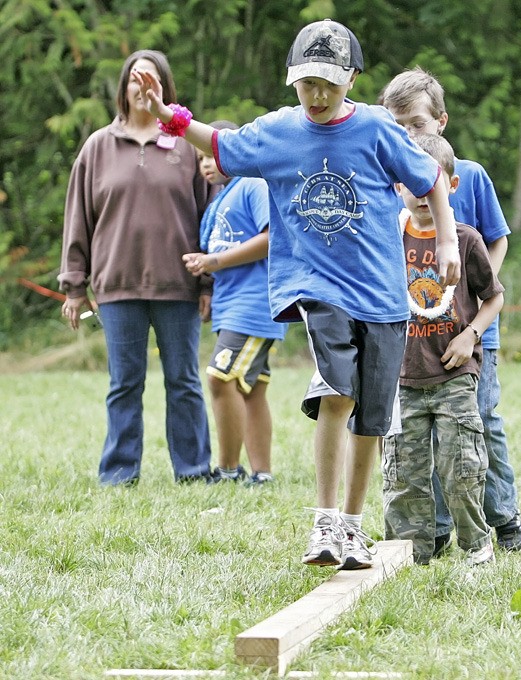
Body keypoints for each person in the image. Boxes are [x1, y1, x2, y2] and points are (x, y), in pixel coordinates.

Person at [132, 18, 461, 569]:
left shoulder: (377, 128)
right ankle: (324, 521)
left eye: (329, 84)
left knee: (369, 417)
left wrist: (447, 241)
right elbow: (220, 143)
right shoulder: (280, 132)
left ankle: (351, 526)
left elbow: (429, 180)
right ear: (293, 80)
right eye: (307, 83)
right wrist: (167, 115)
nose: (318, 95)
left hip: (382, 295)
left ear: (351, 79)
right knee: (336, 391)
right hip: (317, 287)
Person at [380, 67, 521, 552]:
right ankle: (437, 529)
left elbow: (497, 241)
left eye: (417, 123)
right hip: (415, 340)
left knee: (478, 422)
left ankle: (503, 518)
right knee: (422, 435)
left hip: (470, 330)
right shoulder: (390, 182)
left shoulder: (470, 174)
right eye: (398, 126)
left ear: (441, 121)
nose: (408, 135)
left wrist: (470, 302)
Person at [59, 49, 212, 486]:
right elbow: (78, 218)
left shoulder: (187, 145)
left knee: (183, 381)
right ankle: (119, 473)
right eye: (134, 79)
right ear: (123, 89)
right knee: (124, 382)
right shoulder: (97, 147)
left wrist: (208, 283)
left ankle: (193, 470)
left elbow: (208, 217)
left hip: (178, 286)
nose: (142, 87)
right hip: (117, 285)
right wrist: (74, 285)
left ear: (165, 88)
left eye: (151, 79)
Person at [383, 133, 503, 566]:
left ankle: (476, 549)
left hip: (454, 374)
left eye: (429, 185)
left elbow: (494, 297)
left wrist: (471, 335)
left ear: (450, 186)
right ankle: (405, 554)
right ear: (397, 185)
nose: (420, 195)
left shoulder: (465, 240)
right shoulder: (388, 237)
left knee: (461, 467)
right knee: (403, 472)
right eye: (411, 185)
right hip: (402, 377)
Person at [188, 120, 286, 486]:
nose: (206, 164)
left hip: (254, 305)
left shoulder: (253, 184)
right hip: (231, 306)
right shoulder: (221, 199)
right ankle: (262, 473)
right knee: (252, 388)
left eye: (212, 155)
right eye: (200, 158)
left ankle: (228, 470)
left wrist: (214, 261)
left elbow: (273, 236)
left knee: (219, 378)